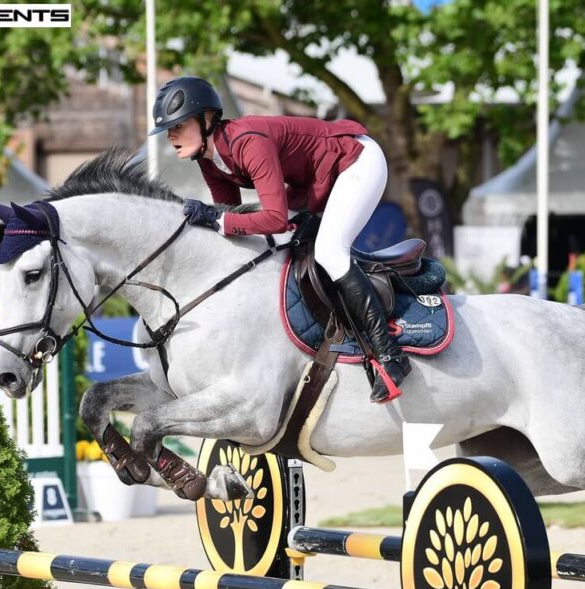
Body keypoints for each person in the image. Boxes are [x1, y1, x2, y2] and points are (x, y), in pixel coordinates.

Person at [148, 76, 410, 403]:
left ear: (206, 119)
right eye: (167, 129)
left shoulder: (248, 143)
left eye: (178, 125)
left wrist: (216, 219)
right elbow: (232, 214)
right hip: (314, 177)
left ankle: (390, 355)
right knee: (284, 249)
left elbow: (273, 218)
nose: (171, 136)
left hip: (355, 161)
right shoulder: (208, 160)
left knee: (330, 251)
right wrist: (210, 224)